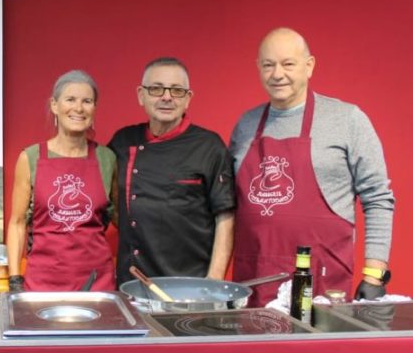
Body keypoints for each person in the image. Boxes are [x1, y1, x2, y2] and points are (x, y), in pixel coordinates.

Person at [229, 27, 395, 305]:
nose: (277, 74)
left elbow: (378, 197)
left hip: (322, 284)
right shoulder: (245, 125)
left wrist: (374, 274)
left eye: (288, 64)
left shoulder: (347, 119)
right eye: (268, 65)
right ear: (258, 68)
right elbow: (228, 207)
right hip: (254, 281)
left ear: (309, 66)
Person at [108, 57, 235, 285]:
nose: (166, 97)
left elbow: (225, 216)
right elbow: (107, 199)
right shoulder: (122, 142)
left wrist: (213, 281)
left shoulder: (209, 146)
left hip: (191, 284)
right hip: (132, 283)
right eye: (156, 89)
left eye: (177, 91)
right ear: (141, 94)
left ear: (188, 99)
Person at [6, 70, 117, 292]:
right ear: (54, 105)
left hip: (96, 282)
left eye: (87, 101)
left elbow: (120, 220)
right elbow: (17, 223)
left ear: (94, 109)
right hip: (43, 283)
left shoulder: (107, 158)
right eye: (70, 100)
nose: (79, 108)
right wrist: (15, 279)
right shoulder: (30, 158)